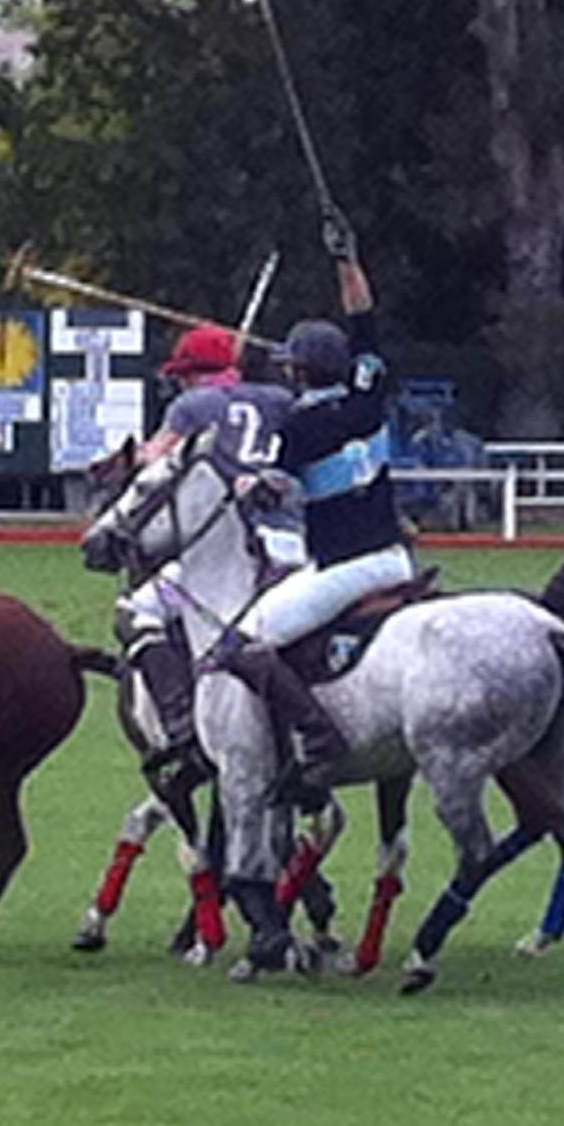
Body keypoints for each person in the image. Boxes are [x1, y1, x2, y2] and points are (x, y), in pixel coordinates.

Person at [219, 211, 416, 808]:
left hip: (344, 567)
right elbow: (365, 319)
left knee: (243, 644)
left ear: (299, 372)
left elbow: (269, 491)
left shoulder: (297, 429)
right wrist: (346, 260)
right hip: (398, 559)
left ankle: (315, 736)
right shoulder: (370, 395)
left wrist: (247, 485)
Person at [118, 323, 297, 793]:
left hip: (228, 547)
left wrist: (130, 457)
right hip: (294, 541)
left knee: (136, 611)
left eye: (182, 375)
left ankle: (181, 725)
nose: (179, 384)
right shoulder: (281, 400)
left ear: (193, 374)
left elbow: (156, 462)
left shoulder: (190, 406)